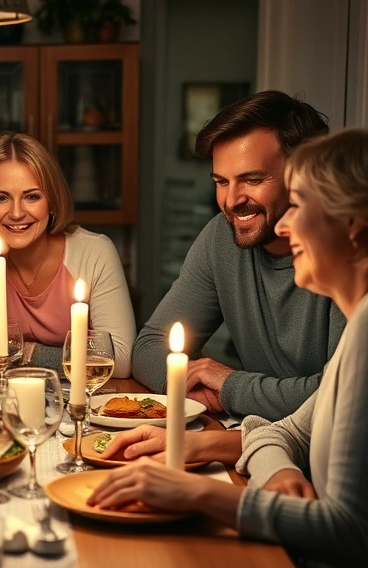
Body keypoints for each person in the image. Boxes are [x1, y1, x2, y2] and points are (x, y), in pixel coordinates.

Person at [87, 129, 368, 567]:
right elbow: (287, 432)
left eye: (301, 205)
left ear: (354, 226)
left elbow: (349, 533)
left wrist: (197, 493)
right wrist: (200, 447)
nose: (286, 226)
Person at [133, 90, 346, 420]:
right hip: (265, 439)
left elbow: (340, 396)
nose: (231, 201)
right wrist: (189, 385)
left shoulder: (349, 253)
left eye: (252, 179)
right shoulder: (221, 238)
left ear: (304, 175)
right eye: (221, 181)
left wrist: (231, 386)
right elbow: (149, 346)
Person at [0, 132, 136, 376]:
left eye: (32, 197)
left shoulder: (94, 252)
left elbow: (120, 360)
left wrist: (26, 353)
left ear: (52, 200)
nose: (17, 213)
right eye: (1, 198)